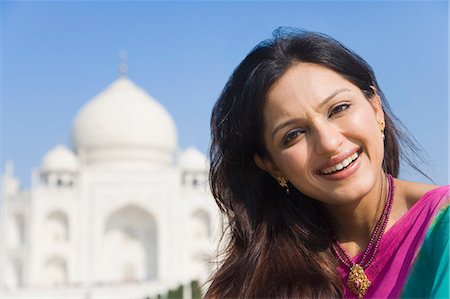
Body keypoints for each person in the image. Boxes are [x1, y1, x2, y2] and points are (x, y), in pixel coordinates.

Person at [205, 29, 449, 298]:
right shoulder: (255, 277)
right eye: (293, 134)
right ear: (271, 165)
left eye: (339, 108)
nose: (329, 143)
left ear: (375, 106)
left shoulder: (441, 226)